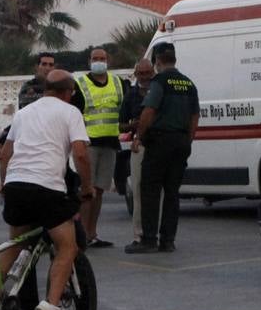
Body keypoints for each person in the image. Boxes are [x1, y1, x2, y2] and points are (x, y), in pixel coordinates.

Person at [0, 70, 94, 310]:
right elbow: (81, 154)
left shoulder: (23, 113)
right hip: (47, 187)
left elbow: (5, 154)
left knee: (17, 244)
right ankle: (51, 305)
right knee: (68, 245)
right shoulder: (70, 112)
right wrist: (87, 187)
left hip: (16, 184)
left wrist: (6, 186)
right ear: (68, 92)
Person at [126, 43, 198, 254]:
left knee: (150, 191)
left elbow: (149, 110)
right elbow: (194, 117)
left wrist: (139, 136)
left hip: (160, 142)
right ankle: (168, 240)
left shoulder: (160, 82)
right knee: (172, 193)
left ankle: (148, 240)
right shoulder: (188, 83)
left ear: (157, 61)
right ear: (174, 59)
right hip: (181, 142)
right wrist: (188, 141)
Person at [71, 47, 125, 248]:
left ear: (108, 61)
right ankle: (82, 234)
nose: (99, 62)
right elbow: (73, 114)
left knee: (99, 190)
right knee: (87, 191)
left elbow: (123, 109)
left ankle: (92, 233)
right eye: (95, 58)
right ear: (89, 61)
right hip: (88, 144)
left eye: (102, 58)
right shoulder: (81, 84)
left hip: (110, 143)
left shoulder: (118, 83)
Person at [119, 59, 155, 240]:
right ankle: (139, 233)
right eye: (141, 74)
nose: (145, 77)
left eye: (148, 73)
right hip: (138, 146)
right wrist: (133, 125)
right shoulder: (130, 96)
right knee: (138, 189)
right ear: (136, 74)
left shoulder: (159, 90)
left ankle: (156, 231)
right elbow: (121, 125)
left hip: (158, 145)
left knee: (159, 190)